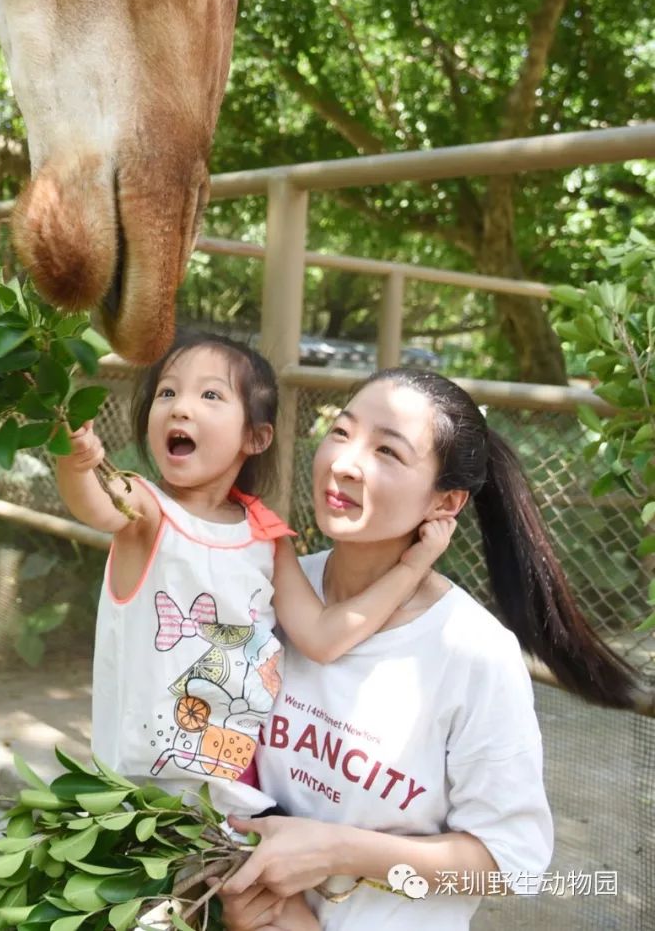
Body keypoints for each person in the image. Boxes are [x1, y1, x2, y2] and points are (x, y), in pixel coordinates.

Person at [217, 368, 639, 930]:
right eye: (341, 432)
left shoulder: (471, 651)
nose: (345, 463)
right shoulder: (266, 593)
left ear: (447, 501)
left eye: (388, 451)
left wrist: (337, 851)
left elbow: (509, 864)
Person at [57, 334, 455, 931]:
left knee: (283, 912)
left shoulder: (265, 537)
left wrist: (414, 565)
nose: (180, 407)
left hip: (231, 791)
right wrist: (75, 460)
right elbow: (97, 503)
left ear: (256, 437)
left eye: (209, 395)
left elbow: (323, 635)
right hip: (146, 796)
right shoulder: (148, 509)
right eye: (167, 393)